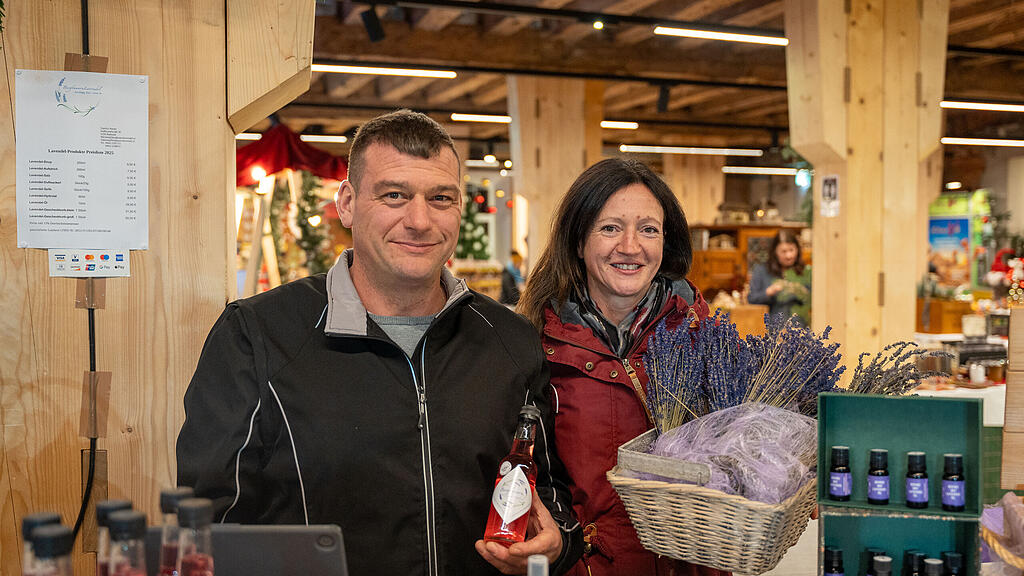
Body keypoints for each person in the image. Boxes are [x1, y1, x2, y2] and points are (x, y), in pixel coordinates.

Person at [177, 110, 582, 576]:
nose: (419, 220)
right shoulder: (257, 335)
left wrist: (553, 548)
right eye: (394, 195)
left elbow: (549, 496)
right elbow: (210, 520)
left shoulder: (509, 340)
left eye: (441, 198)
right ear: (346, 202)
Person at [517, 158, 726, 576]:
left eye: (648, 229)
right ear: (579, 240)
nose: (630, 247)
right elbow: (528, 472)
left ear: (667, 241)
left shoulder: (706, 337)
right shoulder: (534, 345)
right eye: (610, 227)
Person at [747, 230, 811, 325]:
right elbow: (751, 299)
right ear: (775, 252)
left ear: (797, 249)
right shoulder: (762, 270)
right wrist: (769, 292)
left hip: (800, 329)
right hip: (772, 329)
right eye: (783, 251)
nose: (788, 256)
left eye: (791, 250)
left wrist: (801, 291)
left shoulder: (805, 271)